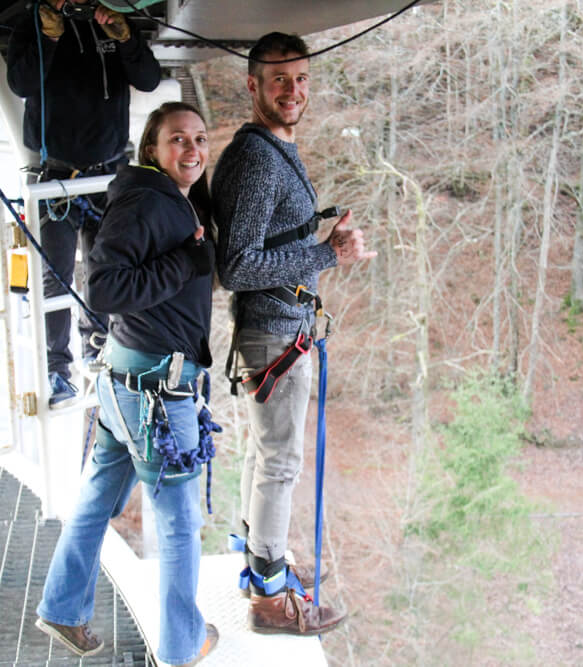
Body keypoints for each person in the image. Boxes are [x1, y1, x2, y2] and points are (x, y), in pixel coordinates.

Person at [34, 102, 219, 666]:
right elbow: (107, 291)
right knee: (181, 522)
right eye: (177, 140)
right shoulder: (145, 200)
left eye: (199, 139)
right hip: (154, 394)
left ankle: (63, 609)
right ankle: (183, 647)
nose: (191, 150)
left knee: (96, 497)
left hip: (126, 381)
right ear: (151, 150)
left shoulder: (164, 198)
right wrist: (188, 263)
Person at [212, 31, 376, 636]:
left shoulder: (273, 149)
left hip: (279, 329)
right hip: (274, 333)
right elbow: (239, 266)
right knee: (281, 460)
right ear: (253, 84)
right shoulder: (256, 158)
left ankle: (265, 563)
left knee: (269, 454)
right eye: (280, 79)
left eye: (301, 78)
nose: (293, 90)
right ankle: (268, 599)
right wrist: (327, 254)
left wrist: (321, 246)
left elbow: (267, 244)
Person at [7, 0, 161, 408]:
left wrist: (126, 39)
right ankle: (57, 368)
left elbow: (148, 78)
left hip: (108, 173)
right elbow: (21, 83)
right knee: (54, 276)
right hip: (55, 176)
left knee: (106, 268)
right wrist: (49, 35)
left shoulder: (108, 22)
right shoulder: (33, 22)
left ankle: (99, 346)